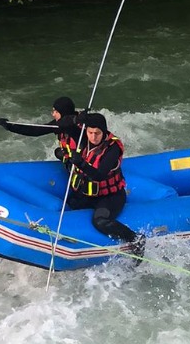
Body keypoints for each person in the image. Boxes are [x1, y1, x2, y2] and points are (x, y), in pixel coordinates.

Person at [56, 111, 144, 258]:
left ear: (104, 132)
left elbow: (99, 174)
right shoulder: (83, 137)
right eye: (90, 132)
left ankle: (136, 239)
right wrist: (76, 119)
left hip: (111, 196)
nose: (93, 137)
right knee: (70, 203)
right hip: (88, 194)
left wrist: (81, 163)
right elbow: (61, 125)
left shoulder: (113, 148)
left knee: (100, 221)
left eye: (97, 133)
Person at [0, 96, 82, 153]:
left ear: (63, 112)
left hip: (83, 164)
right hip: (72, 159)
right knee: (58, 152)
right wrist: (10, 126)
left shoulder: (81, 126)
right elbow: (35, 131)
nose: (53, 114)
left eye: (56, 112)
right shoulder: (58, 124)